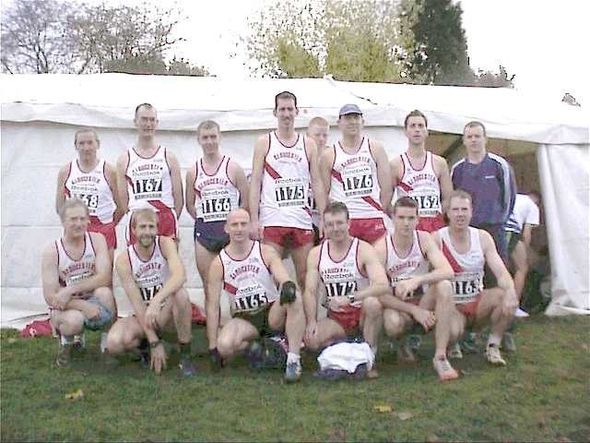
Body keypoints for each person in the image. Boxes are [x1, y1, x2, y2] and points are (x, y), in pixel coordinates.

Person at [206, 209, 305, 382]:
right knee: (225, 346)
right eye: (234, 225)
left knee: (294, 295)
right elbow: (213, 306)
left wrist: (287, 284)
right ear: (226, 228)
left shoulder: (264, 251)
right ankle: (259, 346)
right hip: (245, 318)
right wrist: (212, 346)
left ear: (250, 226)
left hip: (271, 312)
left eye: (243, 224)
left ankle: (293, 359)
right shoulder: (219, 263)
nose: (239, 229)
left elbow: (283, 277)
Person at [374, 197, 459, 381]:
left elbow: (447, 271)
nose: (406, 223)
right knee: (392, 323)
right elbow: (379, 293)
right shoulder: (382, 247)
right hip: (398, 305)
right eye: (401, 218)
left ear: (418, 219)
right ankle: (400, 343)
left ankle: (441, 357)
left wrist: (417, 280)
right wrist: (414, 310)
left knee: (444, 286)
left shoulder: (424, 239)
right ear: (393, 218)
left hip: (423, 299)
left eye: (411, 218)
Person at [249, 91, 326, 291]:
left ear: (296, 111)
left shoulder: (308, 144)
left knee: (305, 276)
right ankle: (279, 320)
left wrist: (324, 216)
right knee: (273, 275)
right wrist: (254, 218)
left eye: (290, 109)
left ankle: (310, 321)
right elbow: (256, 181)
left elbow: (316, 181)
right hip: (273, 218)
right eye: (282, 109)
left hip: (300, 220)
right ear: (275, 112)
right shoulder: (264, 142)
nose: (286, 114)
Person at [106, 208, 196, 376]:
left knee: (181, 295)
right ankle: (147, 347)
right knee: (114, 342)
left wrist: (156, 301)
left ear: (157, 229)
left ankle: (186, 355)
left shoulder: (165, 244)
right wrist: (155, 342)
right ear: (133, 230)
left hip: (164, 312)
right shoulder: (124, 260)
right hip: (143, 316)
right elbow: (137, 305)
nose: (147, 232)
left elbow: (180, 276)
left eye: (151, 227)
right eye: (142, 227)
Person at [433, 190, 519, 365]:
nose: (460, 214)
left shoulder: (482, 237)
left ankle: (493, 346)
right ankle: (453, 343)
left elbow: (501, 273)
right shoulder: (437, 238)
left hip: (477, 301)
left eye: (464, 209)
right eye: (455, 210)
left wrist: (510, 290)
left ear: (472, 211)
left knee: (507, 297)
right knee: (452, 332)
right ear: (447, 213)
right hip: (451, 306)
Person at [302, 202, 389, 373]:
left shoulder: (363, 249)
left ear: (349, 224)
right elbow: (310, 291)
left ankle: (369, 356)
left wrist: (351, 298)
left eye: (340, 223)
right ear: (324, 227)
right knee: (312, 341)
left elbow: (382, 284)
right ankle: (346, 346)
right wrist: (311, 321)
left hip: (361, 313)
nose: (335, 228)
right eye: (330, 224)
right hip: (337, 318)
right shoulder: (316, 253)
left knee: (372, 303)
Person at [41, 198, 116, 367]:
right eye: (73, 219)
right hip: (66, 305)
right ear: (63, 222)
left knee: (105, 292)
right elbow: (50, 296)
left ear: (89, 220)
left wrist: (70, 289)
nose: (79, 224)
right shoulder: (52, 251)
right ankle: (66, 346)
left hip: (88, 296)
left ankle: (106, 347)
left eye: (82, 219)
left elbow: (104, 276)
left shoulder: (97, 240)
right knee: (74, 320)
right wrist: (82, 306)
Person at [185, 120, 249, 311]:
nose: (210, 141)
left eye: (213, 137)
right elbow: (189, 204)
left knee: (237, 283)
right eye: (205, 138)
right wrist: (204, 217)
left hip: (230, 234)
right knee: (209, 287)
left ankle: (238, 325)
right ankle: (215, 330)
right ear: (199, 140)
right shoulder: (193, 171)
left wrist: (235, 222)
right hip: (205, 234)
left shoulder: (233, 167)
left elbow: (245, 201)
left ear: (219, 138)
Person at [320, 104, 392, 244]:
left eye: (356, 117)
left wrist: (378, 210)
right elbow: (324, 192)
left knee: (377, 262)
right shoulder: (329, 155)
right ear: (339, 123)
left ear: (362, 122)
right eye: (348, 118)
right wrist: (326, 218)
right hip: (344, 219)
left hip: (372, 217)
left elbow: (387, 187)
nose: (352, 122)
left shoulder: (375, 148)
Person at [116, 103, 184, 245]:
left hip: (164, 217)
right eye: (144, 119)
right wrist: (134, 218)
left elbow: (178, 197)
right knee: (138, 265)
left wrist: (169, 217)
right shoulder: (125, 159)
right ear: (135, 122)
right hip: (138, 218)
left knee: (169, 263)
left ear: (157, 123)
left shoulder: (168, 157)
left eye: (152, 120)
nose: (148, 124)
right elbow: (123, 200)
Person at [451, 121, 516, 263]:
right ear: (464, 141)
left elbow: (509, 198)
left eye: (477, 136)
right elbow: (451, 199)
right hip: (467, 230)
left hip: (494, 229)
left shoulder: (499, 165)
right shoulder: (457, 169)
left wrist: (500, 220)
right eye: (469, 137)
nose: (473, 140)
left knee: (498, 274)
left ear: (485, 139)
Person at [56, 128, 124, 256]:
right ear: (75, 146)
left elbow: (121, 205)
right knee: (77, 271)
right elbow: (60, 207)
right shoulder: (66, 171)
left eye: (90, 143)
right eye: (81, 143)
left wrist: (109, 224)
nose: (86, 148)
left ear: (97, 144)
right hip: (76, 229)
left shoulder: (109, 171)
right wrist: (71, 223)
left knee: (104, 272)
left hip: (103, 228)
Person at [390, 110, 452, 232]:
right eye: (412, 126)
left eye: (421, 126)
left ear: (427, 131)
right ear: (406, 132)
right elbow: (386, 201)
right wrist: (402, 219)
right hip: (410, 226)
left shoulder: (439, 163)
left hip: (435, 224)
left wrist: (438, 217)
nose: (417, 130)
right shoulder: (396, 164)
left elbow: (448, 198)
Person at [502, 191, 541, 350]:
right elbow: (526, 233)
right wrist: (525, 251)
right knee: (521, 268)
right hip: (510, 229)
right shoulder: (532, 206)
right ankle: (513, 305)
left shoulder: (515, 197)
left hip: (497, 226)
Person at [306, 116, 330, 243]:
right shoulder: (300, 156)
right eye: (317, 135)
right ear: (308, 135)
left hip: (325, 217)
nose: (321, 139)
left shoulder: (332, 157)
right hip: (305, 217)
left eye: (325, 135)